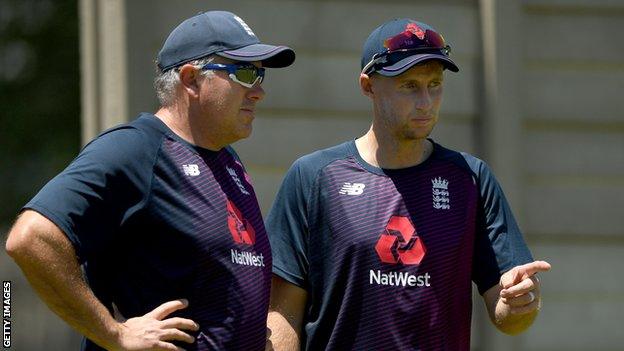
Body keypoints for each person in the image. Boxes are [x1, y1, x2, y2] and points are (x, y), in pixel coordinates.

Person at [5, 10, 294, 351]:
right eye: (245, 73)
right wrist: (115, 334)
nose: (259, 91)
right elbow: (31, 239)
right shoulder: (135, 149)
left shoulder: (227, 160)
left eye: (260, 75)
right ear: (191, 80)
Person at [265, 18, 550, 350]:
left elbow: (507, 315)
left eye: (435, 84)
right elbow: (282, 312)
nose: (426, 102)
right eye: (409, 86)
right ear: (368, 86)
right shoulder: (314, 177)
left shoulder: (470, 179)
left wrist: (519, 304)